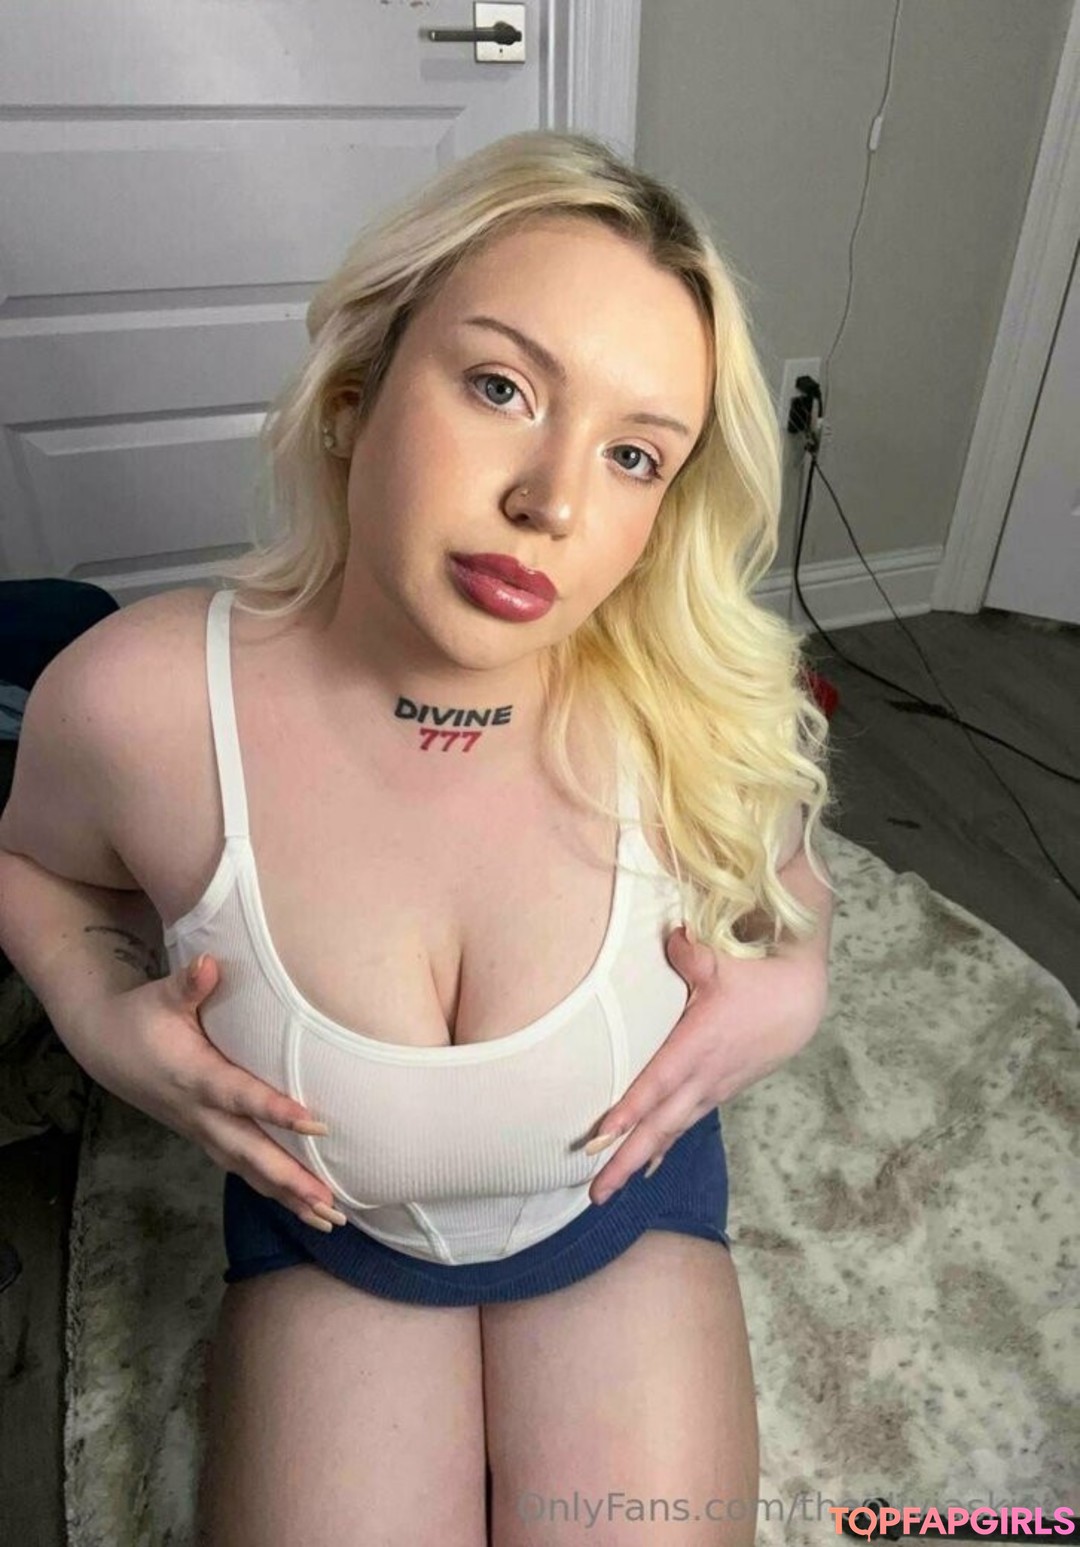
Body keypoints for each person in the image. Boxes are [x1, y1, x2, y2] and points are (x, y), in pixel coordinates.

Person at [0, 130, 836, 1545]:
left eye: (634, 455)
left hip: (613, 1212)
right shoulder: (143, 704)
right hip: (337, 1234)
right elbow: (32, 863)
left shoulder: (687, 705)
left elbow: (790, 860)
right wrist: (92, 1012)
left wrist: (798, 976)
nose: (553, 502)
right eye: (502, 387)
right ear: (355, 394)